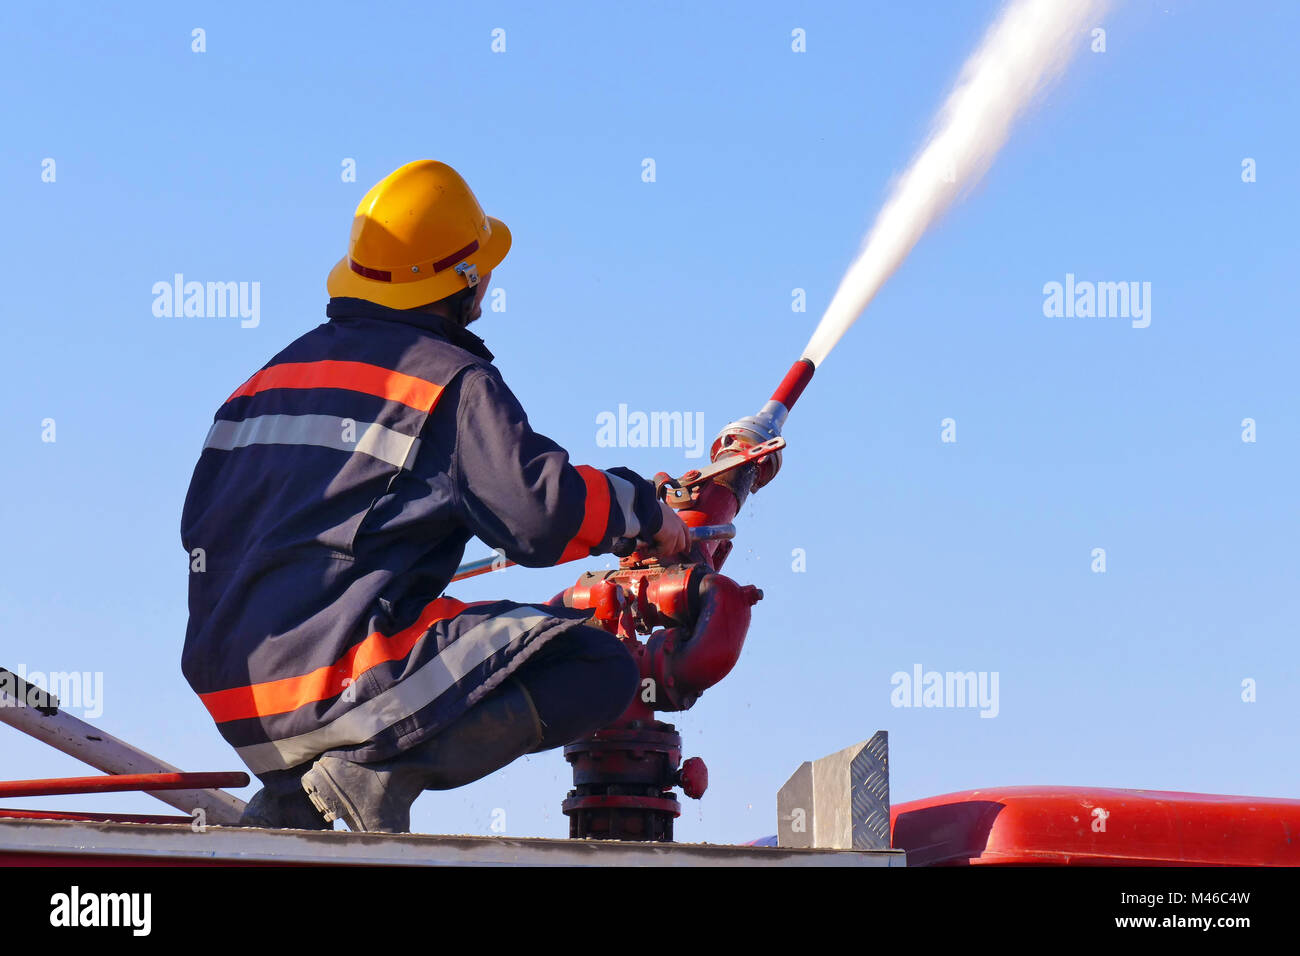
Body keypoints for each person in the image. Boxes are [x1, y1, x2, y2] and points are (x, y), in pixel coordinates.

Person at [180, 160, 689, 832]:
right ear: (465, 282)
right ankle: (369, 774)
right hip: (335, 681)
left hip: (237, 694)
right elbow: (538, 514)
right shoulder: (447, 380)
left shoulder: (259, 386)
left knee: (468, 630)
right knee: (599, 664)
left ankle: (297, 800)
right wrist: (645, 513)